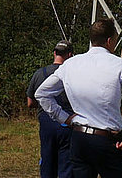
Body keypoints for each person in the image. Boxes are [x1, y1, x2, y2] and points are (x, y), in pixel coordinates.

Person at [35, 19, 122, 178]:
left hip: (79, 138)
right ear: (109, 41)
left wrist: (64, 118)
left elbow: (42, 94)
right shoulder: (120, 65)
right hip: (107, 140)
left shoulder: (70, 64)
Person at [27, 40, 74, 178]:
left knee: (47, 160)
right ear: (70, 55)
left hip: (46, 122)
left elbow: (30, 103)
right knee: (66, 163)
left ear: (54, 53)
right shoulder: (72, 74)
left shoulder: (39, 73)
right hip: (67, 121)